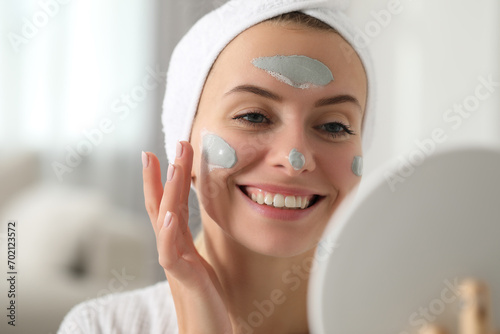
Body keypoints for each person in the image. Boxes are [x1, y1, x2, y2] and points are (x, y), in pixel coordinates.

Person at [57, 0, 373, 333]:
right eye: (253, 116)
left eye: (335, 126)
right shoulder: (101, 327)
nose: (296, 158)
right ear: (184, 140)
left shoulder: (410, 320)